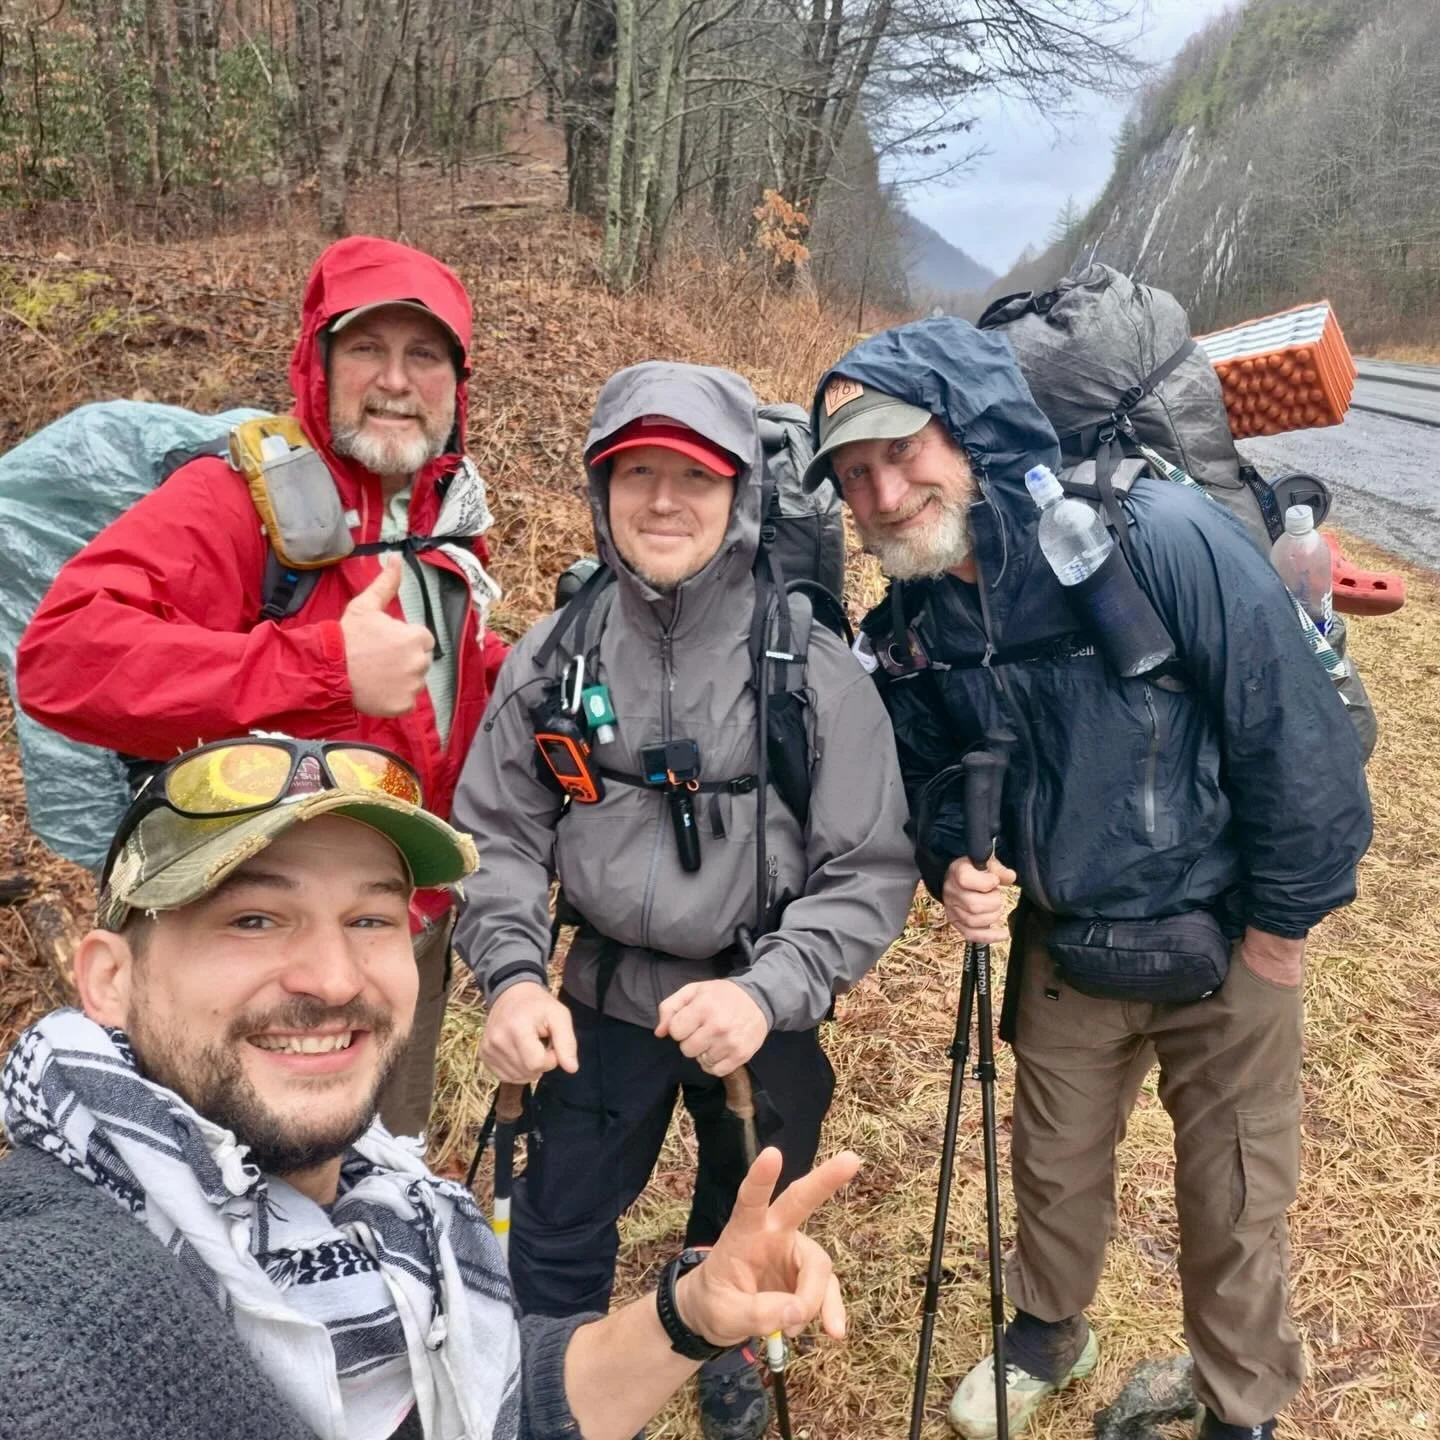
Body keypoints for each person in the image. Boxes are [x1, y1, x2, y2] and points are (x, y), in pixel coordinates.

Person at [801, 318, 1373, 1440]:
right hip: (1067, 943)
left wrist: (1281, 931)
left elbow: (1292, 729)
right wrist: (952, 863)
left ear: (965, 434)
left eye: (900, 451)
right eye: (854, 475)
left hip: (1228, 925)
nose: (881, 490)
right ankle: (1047, 1333)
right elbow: (922, 778)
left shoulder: (1151, 535)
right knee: (1053, 1173)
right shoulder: (913, 622)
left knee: (1235, 1196)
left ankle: (1241, 1406)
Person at [0, 736, 860, 1440]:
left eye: (372, 918)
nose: (333, 979)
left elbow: (505, 1408)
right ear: (109, 980)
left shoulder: (399, 1219)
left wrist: (687, 1315)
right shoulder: (52, 1299)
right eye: (253, 919)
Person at [450, 362, 916, 1438]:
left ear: (739, 492)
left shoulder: (811, 671)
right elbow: (501, 834)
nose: (664, 500)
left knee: (743, 1201)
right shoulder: (555, 657)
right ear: (601, 491)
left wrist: (770, 991)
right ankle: (546, 1377)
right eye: (637, 472)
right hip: (599, 1000)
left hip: (762, 1005)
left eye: (694, 476)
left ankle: (725, 1340)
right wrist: (514, 980)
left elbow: (867, 868)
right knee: (560, 1223)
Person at [15, 235, 510, 1139]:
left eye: (424, 354)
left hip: (397, 917)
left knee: (373, 1161)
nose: (396, 380)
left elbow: (441, 686)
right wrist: (321, 667)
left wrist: (515, 679)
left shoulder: (445, 514)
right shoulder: (236, 501)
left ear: (457, 381)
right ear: (317, 365)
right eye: (367, 347)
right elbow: (64, 656)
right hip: (244, 934)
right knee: (223, 1187)